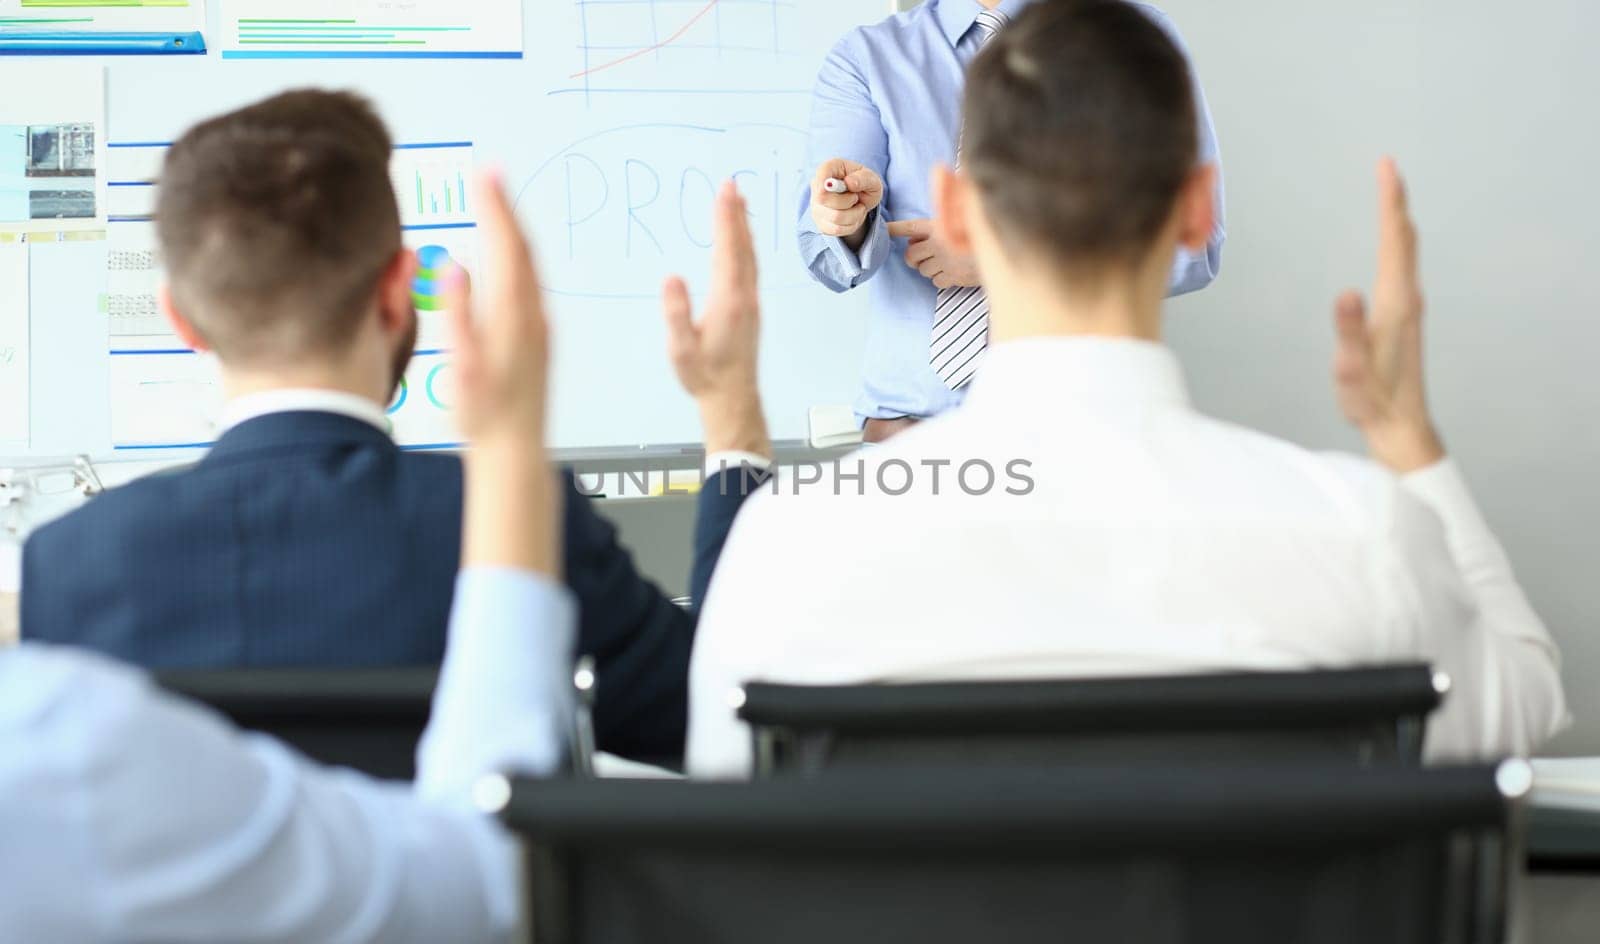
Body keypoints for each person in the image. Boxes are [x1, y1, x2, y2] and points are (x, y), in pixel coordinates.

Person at [689, 0, 1568, 778]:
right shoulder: (1359, 534)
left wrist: (731, 420)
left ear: (960, 210)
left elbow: (726, 799)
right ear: (1196, 204)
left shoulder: (794, 549)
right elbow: (1526, 703)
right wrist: (1409, 437)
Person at [20, 91, 771, 763]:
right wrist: (730, 407)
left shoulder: (67, 569)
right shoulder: (516, 525)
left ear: (181, 320)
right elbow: (734, 726)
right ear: (395, 294)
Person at [800, 0, 1225, 441]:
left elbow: (1195, 245)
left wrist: (997, 256)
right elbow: (823, 254)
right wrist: (849, 224)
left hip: (1085, 434)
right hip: (906, 437)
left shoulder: (1132, 37)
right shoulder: (869, 57)